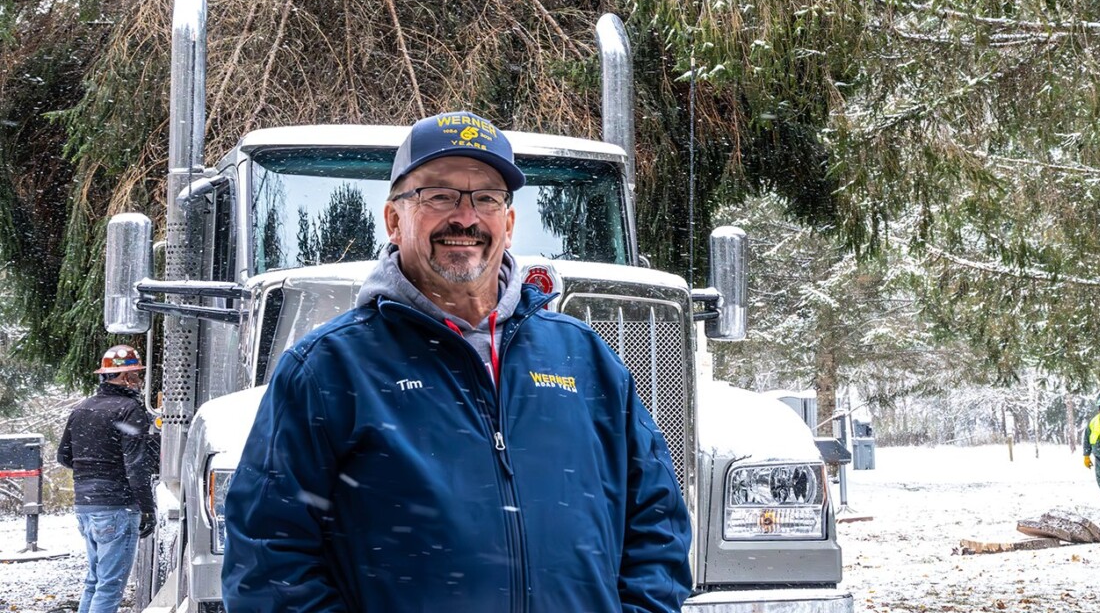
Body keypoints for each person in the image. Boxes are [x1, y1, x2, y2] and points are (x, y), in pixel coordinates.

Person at [221, 111, 692, 612]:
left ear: (508, 224)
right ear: (393, 219)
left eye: (486, 198)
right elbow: (268, 562)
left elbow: (656, 526)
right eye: (439, 195)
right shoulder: (328, 370)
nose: (465, 217)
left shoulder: (584, 359)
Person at [56, 345, 156, 613]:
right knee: (110, 586)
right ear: (126, 377)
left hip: (85, 507)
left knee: (95, 581)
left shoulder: (82, 408)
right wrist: (147, 508)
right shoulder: (129, 410)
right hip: (116, 508)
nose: (139, 379)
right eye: (136, 374)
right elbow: (136, 465)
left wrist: (93, 470)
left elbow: (64, 457)